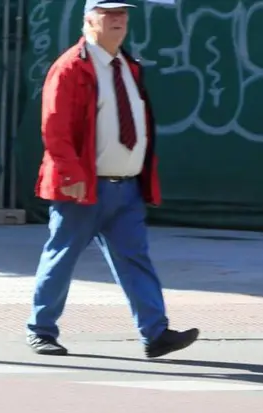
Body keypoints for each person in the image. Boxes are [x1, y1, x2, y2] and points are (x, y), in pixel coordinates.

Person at [26, 0, 199, 358]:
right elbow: (54, 127)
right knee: (61, 257)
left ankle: (155, 334)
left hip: (126, 188)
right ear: (89, 20)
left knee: (135, 258)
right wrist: (71, 173)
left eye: (123, 13)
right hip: (83, 187)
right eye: (109, 13)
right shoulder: (71, 67)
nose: (118, 19)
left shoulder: (127, 66)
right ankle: (41, 330)